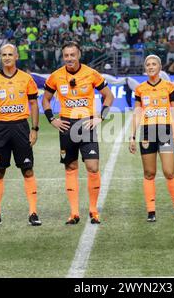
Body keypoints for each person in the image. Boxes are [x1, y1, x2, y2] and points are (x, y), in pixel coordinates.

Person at [42, 41, 114, 225]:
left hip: (86, 125)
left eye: (72, 55)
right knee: (71, 168)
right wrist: (52, 119)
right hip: (66, 125)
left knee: (92, 167)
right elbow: (46, 100)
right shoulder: (56, 76)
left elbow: (109, 96)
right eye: (66, 55)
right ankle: (74, 213)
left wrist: (100, 117)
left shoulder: (91, 73)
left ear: (79, 55)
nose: (69, 59)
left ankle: (93, 210)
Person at [0, 43, 41, 227]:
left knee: (27, 169)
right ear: (0, 57)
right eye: (3, 54)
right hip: (0, 129)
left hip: (21, 128)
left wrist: (34, 129)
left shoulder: (26, 79)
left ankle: (33, 212)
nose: (7, 57)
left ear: (16, 57)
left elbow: (33, 104)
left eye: (10, 54)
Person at [129, 54, 174, 223]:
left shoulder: (169, 87)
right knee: (149, 173)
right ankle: (151, 211)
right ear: (145, 68)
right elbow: (137, 113)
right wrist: (132, 136)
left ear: (160, 68)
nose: (151, 67)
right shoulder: (140, 89)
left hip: (165, 132)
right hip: (147, 133)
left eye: (154, 64)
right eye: (148, 64)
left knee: (169, 172)